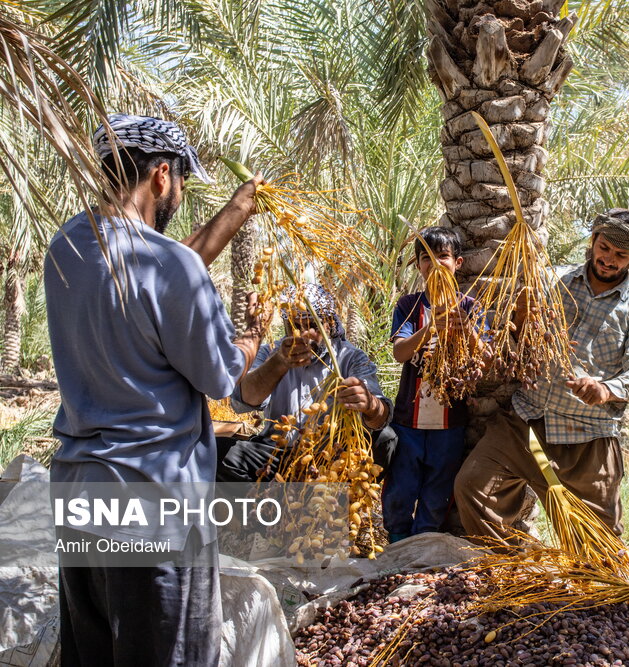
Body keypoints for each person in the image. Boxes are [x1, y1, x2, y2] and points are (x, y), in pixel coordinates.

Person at [45, 114, 266, 665]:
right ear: (161, 176)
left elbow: (142, 277)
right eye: (181, 186)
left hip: (78, 492)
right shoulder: (173, 265)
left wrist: (233, 215)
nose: (178, 199)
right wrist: (250, 343)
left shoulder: (64, 250)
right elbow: (220, 377)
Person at [454, 209, 629, 545]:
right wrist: (520, 319)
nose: (609, 259)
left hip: (587, 435)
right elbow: (519, 337)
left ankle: (592, 588)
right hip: (526, 420)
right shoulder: (553, 280)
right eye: (604, 248)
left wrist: (606, 390)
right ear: (593, 241)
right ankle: (515, 571)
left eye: (621, 255)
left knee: (598, 543)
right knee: (473, 487)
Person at [220, 282, 393, 482]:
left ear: (329, 324)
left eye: (312, 325)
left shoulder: (350, 357)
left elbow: (381, 418)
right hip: (276, 455)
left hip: (331, 458)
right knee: (219, 452)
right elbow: (242, 402)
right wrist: (279, 363)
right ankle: (269, 507)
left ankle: (335, 500)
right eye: (294, 326)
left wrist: (370, 405)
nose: (302, 334)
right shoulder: (271, 352)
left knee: (386, 438)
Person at [384, 226, 485, 542]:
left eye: (442, 256)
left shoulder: (470, 307)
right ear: (418, 265)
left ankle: (425, 543)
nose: (434, 264)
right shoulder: (409, 305)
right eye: (426, 258)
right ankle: (397, 542)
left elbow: (486, 358)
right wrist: (431, 329)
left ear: (458, 263)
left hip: (449, 422)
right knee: (401, 484)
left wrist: (465, 329)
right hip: (408, 421)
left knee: (439, 489)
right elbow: (400, 352)